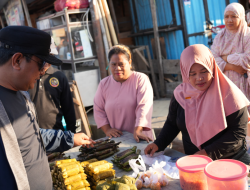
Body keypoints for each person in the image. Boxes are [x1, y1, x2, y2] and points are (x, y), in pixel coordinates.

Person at [0, 26, 95, 190]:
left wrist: (69, 138)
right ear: (17, 61)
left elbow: (32, 135)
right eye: (41, 63)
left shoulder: (23, 95)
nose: (43, 72)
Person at [144, 44, 250, 165]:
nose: (199, 78)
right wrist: (158, 143)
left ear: (212, 67)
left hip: (230, 162)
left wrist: (207, 153)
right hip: (196, 164)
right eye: (192, 74)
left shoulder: (229, 94)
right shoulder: (180, 95)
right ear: (184, 73)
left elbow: (237, 133)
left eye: (204, 71)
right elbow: (172, 123)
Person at [94, 44, 154, 143]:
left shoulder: (140, 79)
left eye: (121, 64)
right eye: (113, 64)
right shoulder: (104, 84)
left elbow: (144, 107)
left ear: (129, 63)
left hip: (140, 138)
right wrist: (107, 130)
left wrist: (138, 130)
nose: (117, 68)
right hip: (116, 141)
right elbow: (98, 109)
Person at [29, 37, 77, 133]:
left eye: (51, 57)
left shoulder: (59, 76)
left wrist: (72, 134)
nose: (47, 62)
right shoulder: (26, 77)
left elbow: (68, 108)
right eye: (45, 58)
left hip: (56, 133)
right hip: (32, 135)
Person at [211, 3, 250, 112]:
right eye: (226, 17)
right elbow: (212, 59)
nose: (229, 20)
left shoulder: (247, 35)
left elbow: (247, 59)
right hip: (225, 85)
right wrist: (232, 67)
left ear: (241, 17)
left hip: (245, 85)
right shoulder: (220, 37)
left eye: (234, 16)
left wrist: (226, 57)